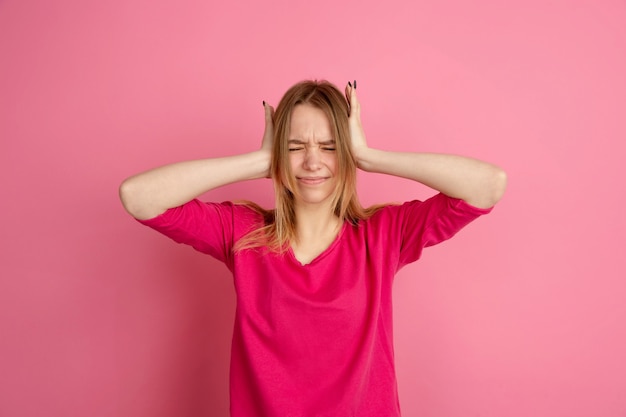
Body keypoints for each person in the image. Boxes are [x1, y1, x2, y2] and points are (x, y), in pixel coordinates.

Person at [119, 79, 507, 417]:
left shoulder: (384, 234)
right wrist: (257, 161)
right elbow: (138, 196)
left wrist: (371, 157)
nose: (311, 162)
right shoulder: (243, 234)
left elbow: (488, 185)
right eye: (294, 147)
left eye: (329, 146)